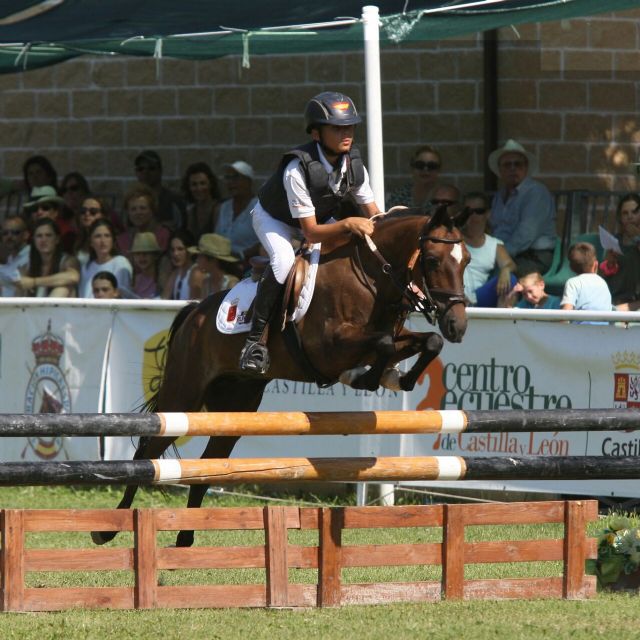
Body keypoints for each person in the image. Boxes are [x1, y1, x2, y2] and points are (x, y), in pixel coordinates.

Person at [239, 91, 380, 374]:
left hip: (317, 215)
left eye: (350, 127)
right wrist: (349, 223)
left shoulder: (353, 164)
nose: (346, 133)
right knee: (283, 261)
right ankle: (255, 343)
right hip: (275, 219)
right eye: (337, 128)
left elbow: (375, 215)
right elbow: (312, 233)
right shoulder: (297, 168)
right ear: (316, 133)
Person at [488, 139, 557, 277]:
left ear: (526, 168)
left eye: (518, 164)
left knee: (500, 277)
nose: (513, 168)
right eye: (507, 165)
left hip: (534, 256)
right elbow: (495, 230)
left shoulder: (536, 192)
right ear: (500, 170)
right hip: (506, 255)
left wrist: (497, 257)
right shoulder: (499, 196)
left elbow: (525, 235)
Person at [461, 192, 516, 307]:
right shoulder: (452, 238)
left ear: (487, 214)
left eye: (479, 211)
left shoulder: (494, 244)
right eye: (469, 212)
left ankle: (503, 323)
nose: (473, 216)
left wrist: (505, 271)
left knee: (511, 280)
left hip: (477, 298)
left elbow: (510, 264)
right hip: (454, 297)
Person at [17, 218, 80, 297]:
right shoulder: (27, 267)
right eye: (39, 236)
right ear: (34, 241)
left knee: (62, 289)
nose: (44, 240)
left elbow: (73, 277)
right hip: (33, 308)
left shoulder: (67, 260)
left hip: (60, 308)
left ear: (57, 239)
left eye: (48, 235)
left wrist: (34, 282)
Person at [599, 193, 640, 307]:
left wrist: (637, 238)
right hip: (617, 299)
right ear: (620, 218)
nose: (630, 216)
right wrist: (610, 263)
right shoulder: (615, 240)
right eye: (625, 213)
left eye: (634, 212)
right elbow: (603, 275)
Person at [216, 161, 260, 262]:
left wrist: (241, 255)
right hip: (222, 264)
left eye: (235, 177)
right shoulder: (223, 207)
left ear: (249, 181)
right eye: (227, 178)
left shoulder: (260, 207)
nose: (230, 182)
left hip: (249, 265)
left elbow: (266, 241)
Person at [79, 219, 133, 298]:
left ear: (113, 240)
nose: (103, 241)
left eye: (107, 236)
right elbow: (83, 296)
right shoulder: (86, 267)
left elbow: (123, 295)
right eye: (98, 236)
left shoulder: (121, 262)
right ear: (91, 242)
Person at [133, 150, 185, 229]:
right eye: (141, 169)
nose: (145, 172)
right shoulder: (133, 202)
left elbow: (183, 231)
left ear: (160, 171)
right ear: (136, 173)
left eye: (151, 168)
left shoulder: (174, 201)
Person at [117, 183, 170, 259]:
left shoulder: (164, 236)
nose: (138, 213)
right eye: (133, 209)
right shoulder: (122, 240)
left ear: (152, 210)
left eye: (143, 208)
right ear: (128, 212)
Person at [561, 242, 613, 314]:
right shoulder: (603, 282)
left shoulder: (572, 283)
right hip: (604, 325)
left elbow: (565, 314)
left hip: (580, 325)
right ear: (596, 264)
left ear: (571, 268)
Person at [386, 145, 442, 210]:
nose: (425, 169)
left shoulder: (443, 197)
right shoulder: (400, 195)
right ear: (412, 168)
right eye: (420, 165)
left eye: (432, 166)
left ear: (439, 170)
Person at [22, 185, 76, 253]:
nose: (39, 212)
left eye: (45, 208)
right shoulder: (28, 236)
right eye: (34, 208)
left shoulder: (67, 235)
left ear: (56, 212)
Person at [187, 233, 241, 298]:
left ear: (212, 260)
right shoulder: (206, 283)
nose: (197, 260)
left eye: (200, 256)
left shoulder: (231, 284)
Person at [181, 162, 222, 241]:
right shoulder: (191, 212)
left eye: (202, 183)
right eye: (194, 184)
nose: (199, 188)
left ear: (211, 184)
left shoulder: (219, 210)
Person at [161, 229, 205, 300]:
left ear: (189, 251)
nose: (175, 254)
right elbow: (164, 298)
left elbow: (195, 304)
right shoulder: (175, 273)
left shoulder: (196, 273)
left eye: (180, 249)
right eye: (172, 250)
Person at [0, 215, 30, 296]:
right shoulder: (10, 258)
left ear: (26, 235)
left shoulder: (31, 256)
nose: (9, 236)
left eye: (15, 232)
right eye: (5, 233)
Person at [74, 196, 108, 266]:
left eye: (93, 211)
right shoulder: (75, 239)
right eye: (83, 211)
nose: (87, 214)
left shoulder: (109, 239)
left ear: (102, 215)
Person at [129, 232, 163, 299]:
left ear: (155, 255)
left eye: (145, 253)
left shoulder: (162, 279)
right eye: (138, 254)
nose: (141, 258)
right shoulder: (135, 280)